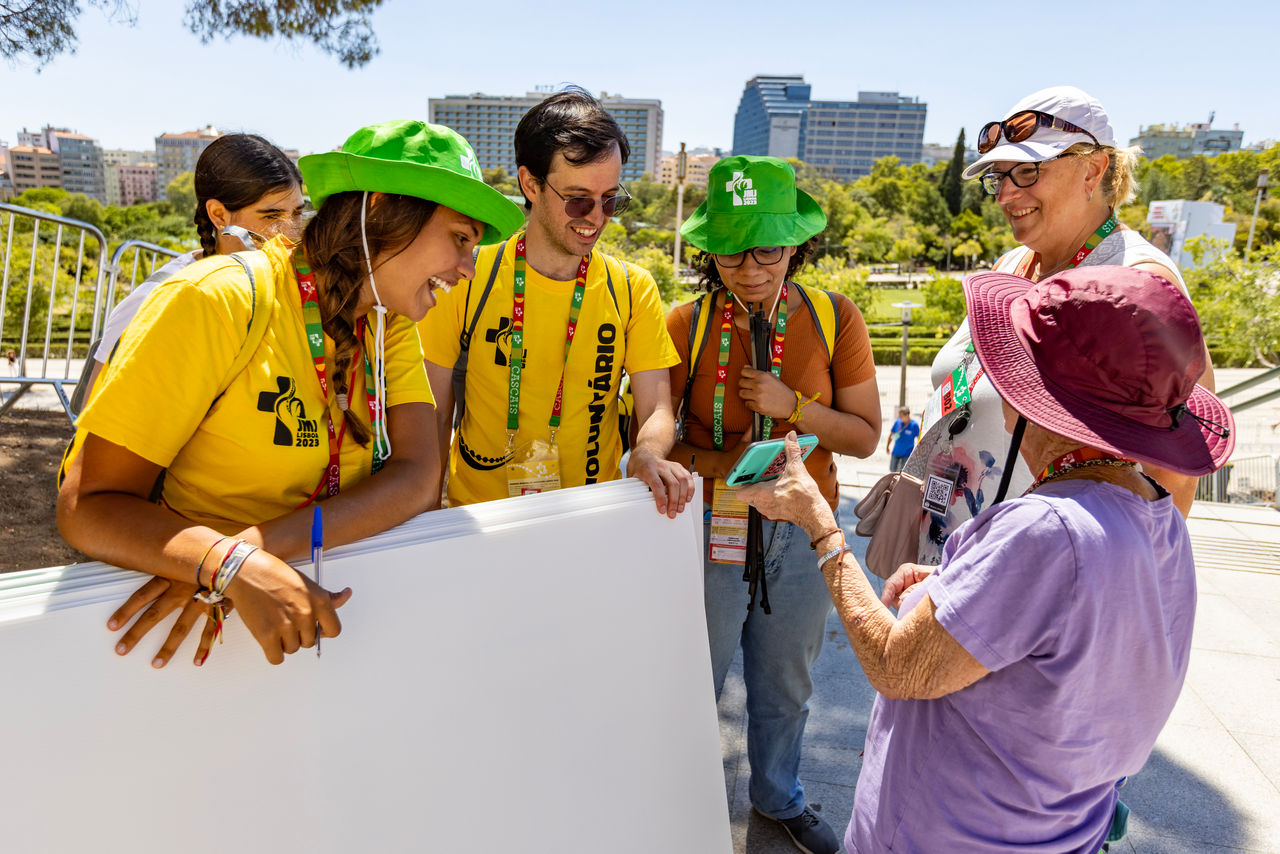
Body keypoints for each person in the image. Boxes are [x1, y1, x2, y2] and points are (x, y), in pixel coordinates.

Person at [739, 265, 1233, 854]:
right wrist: (956, 584)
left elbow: (898, 668)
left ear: (1038, 400)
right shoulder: (1154, 517)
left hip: (947, 832)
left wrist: (820, 525)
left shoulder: (1045, 532)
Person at [57, 120, 525, 666]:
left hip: (284, 604)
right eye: (461, 239)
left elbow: (420, 476)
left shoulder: (387, 323)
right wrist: (223, 566)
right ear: (381, 215)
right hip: (181, 636)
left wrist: (239, 556)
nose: (468, 270)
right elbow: (86, 505)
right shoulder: (216, 300)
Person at [666, 155, 880, 854]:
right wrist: (722, 466)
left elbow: (866, 434)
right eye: (730, 249)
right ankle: (679, 798)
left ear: (796, 244)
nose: (751, 267)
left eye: (768, 248)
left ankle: (777, 797)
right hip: (709, 525)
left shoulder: (834, 316)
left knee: (787, 681)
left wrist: (798, 408)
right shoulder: (683, 325)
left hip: (803, 526)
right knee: (695, 673)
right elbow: (658, 444)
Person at [915, 85, 1216, 566]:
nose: (1007, 193)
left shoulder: (1136, 282)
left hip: (1041, 577)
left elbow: (1175, 473)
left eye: (1028, 172)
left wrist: (1128, 589)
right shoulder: (1016, 262)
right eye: (999, 177)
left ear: (1093, 170)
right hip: (955, 551)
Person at [419, 88, 694, 515]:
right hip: (482, 520)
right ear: (530, 184)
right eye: (579, 200)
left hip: (588, 517)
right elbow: (435, 413)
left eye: (610, 201)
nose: (597, 218)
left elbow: (657, 408)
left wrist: (647, 453)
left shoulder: (632, 287)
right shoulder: (468, 275)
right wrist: (427, 512)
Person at [74, 134, 307, 415]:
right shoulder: (160, 298)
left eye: (296, 215)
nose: (290, 235)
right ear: (219, 215)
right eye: (271, 217)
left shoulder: (282, 282)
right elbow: (93, 414)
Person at [884, 406, 918, 472]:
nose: (900, 418)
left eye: (901, 416)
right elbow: (891, 435)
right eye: (899, 416)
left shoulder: (914, 425)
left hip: (907, 454)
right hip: (896, 452)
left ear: (907, 415)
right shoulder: (897, 422)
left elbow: (919, 439)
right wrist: (887, 447)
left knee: (902, 473)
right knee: (892, 471)